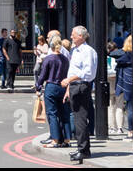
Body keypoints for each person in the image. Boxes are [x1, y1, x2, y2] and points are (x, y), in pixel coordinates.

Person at [61, 26, 98, 163]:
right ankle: (81, 148)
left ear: (82, 36)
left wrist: (69, 80)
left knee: (80, 120)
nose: (71, 37)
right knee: (78, 119)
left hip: (82, 86)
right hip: (74, 86)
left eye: (73, 35)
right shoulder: (75, 50)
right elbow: (73, 70)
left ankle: (84, 151)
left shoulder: (88, 51)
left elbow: (88, 73)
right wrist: (68, 89)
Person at [36, 32, 70, 149]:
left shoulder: (48, 59)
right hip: (63, 87)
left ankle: (55, 140)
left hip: (51, 87)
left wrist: (38, 86)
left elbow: (42, 75)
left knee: (52, 114)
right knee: (64, 114)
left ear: (51, 45)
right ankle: (66, 139)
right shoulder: (65, 59)